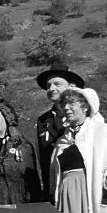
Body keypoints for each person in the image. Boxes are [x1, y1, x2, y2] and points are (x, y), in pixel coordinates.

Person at [35, 64, 85, 202]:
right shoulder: (43, 121)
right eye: (48, 85)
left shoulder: (85, 116)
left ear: (71, 86)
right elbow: (43, 159)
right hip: (53, 190)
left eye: (57, 84)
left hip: (80, 188)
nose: (51, 89)